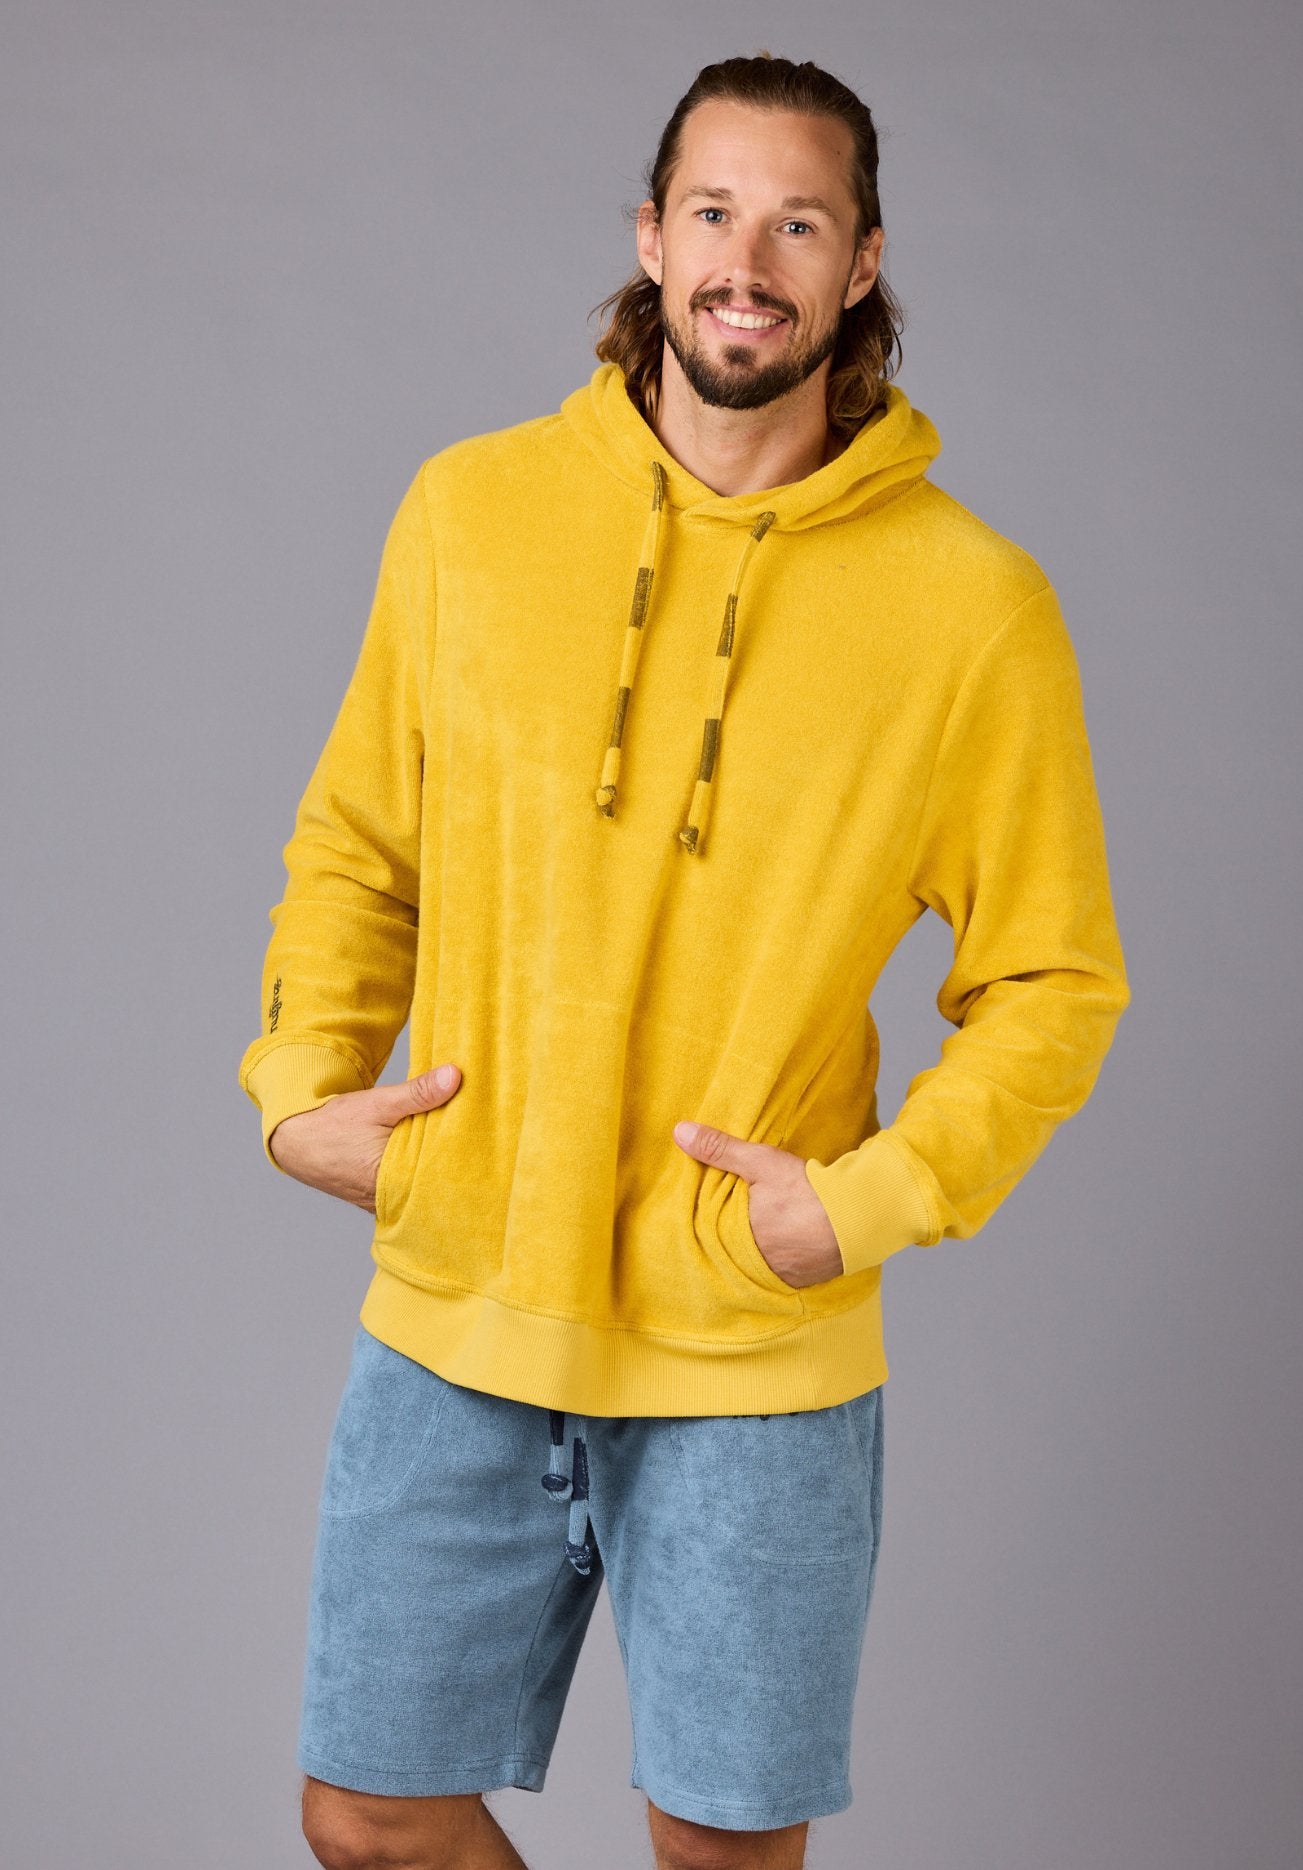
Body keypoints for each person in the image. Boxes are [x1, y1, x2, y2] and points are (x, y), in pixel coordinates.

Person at [237, 51, 1131, 1870]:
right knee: (371, 1814)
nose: (749, 259)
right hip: (467, 1293)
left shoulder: (972, 606)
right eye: (715, 211)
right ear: (651, 238)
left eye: (799, 223)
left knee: (724, 1855)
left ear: (861, 265)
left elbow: (1052, 978)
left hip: (752, 1342)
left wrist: (869, 1202)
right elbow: (357, 845)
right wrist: (299, 1094)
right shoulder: (471, 513)